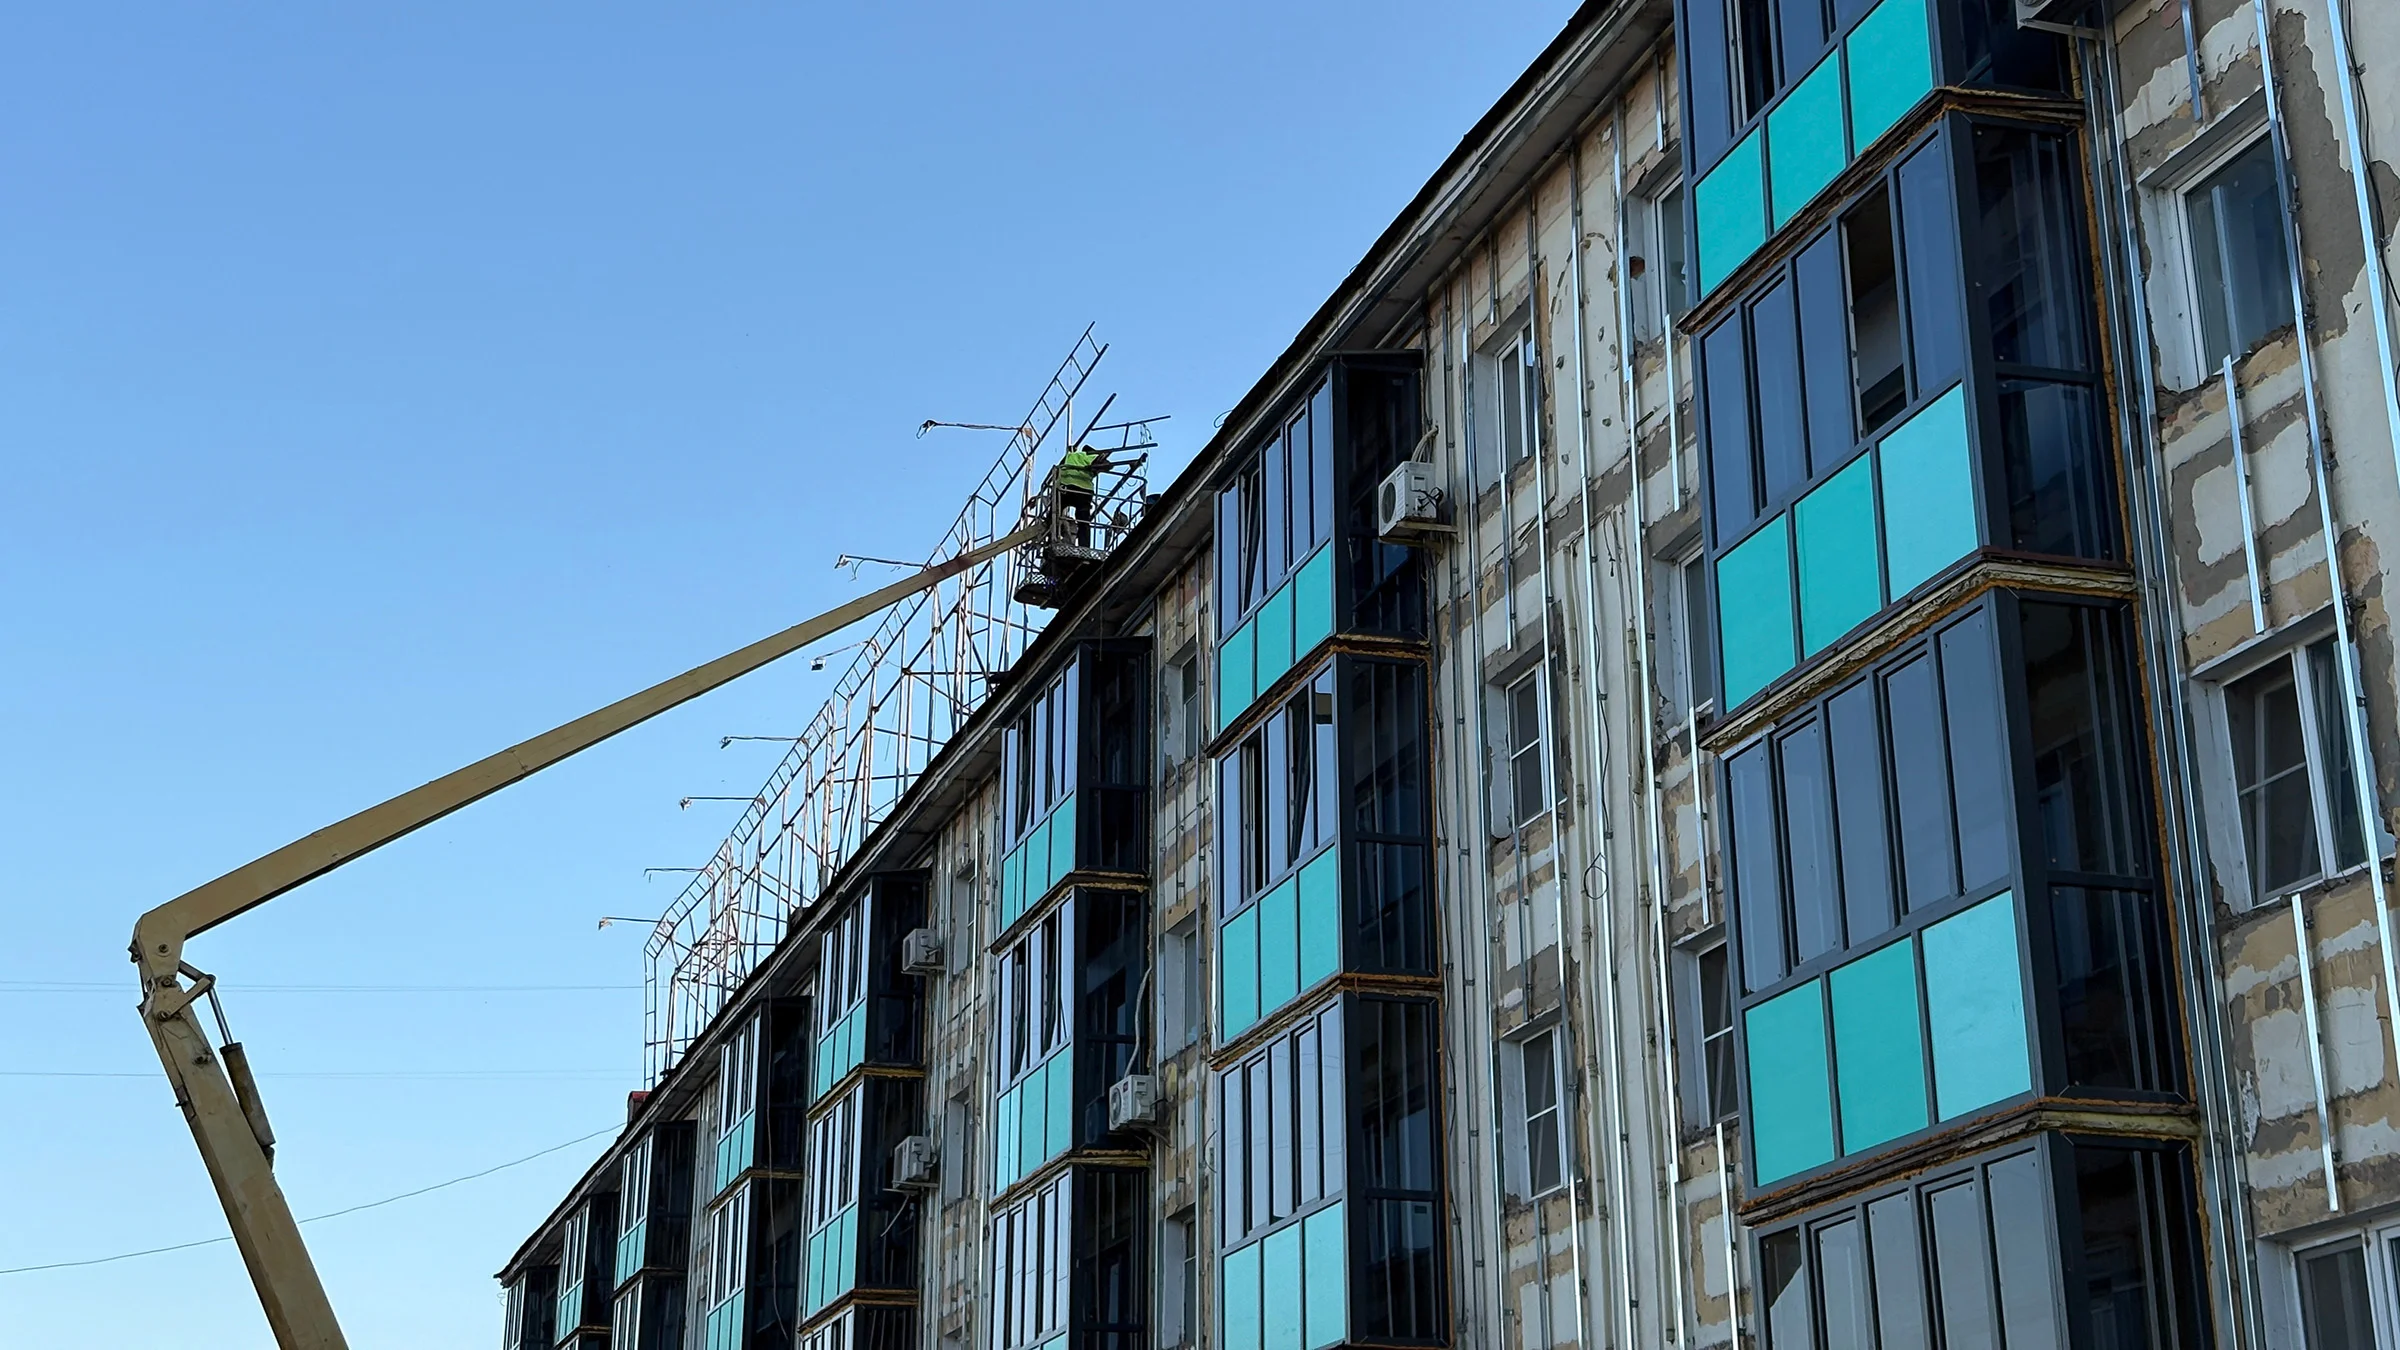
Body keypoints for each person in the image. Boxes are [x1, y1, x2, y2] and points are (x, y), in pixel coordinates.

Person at [1055, 443, 1111, 547]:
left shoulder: (1071, 456)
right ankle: (1084, 547)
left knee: (1054, 514)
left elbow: (1058, 472)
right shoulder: (1090, 455)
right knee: (1083, 521)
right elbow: (1107, 466)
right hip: (1083, 491)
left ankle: (1051, 536)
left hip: (1066, 488)